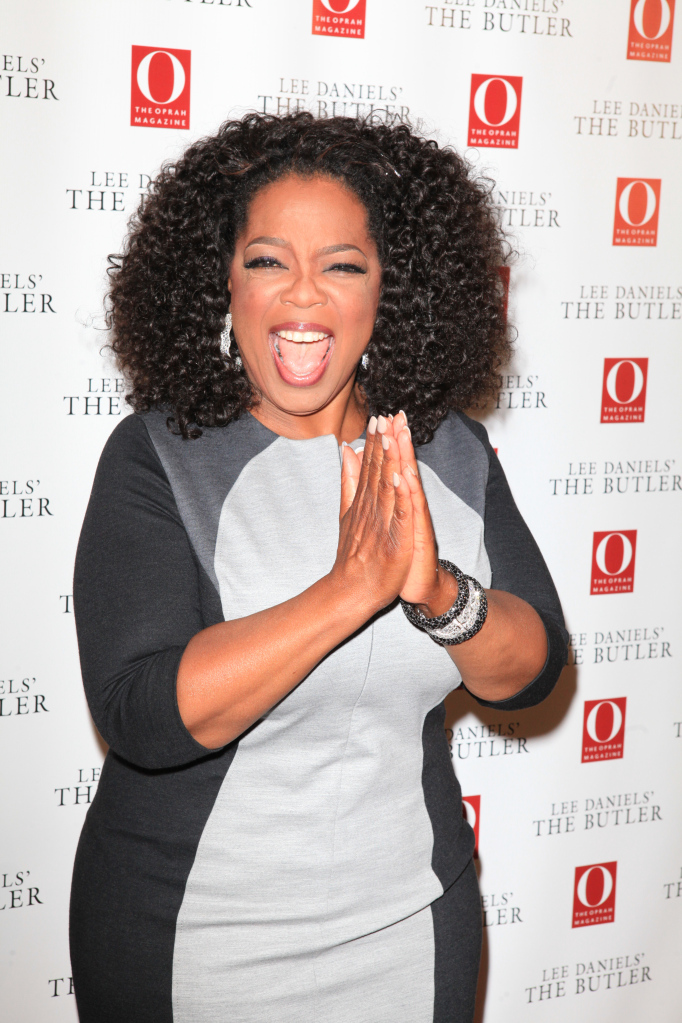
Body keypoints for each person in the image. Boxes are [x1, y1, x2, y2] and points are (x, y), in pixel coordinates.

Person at [70, 112, 567, 1023]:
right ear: (223, 280)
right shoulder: (160, 456)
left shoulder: (449, 452)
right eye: (268, 260)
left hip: (411, 936)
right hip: (190, 943)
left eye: (342, 264)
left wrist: (438, 594)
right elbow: (141, 713)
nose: (303, 293)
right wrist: (347, 590)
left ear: (389, 288)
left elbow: (532, 669)